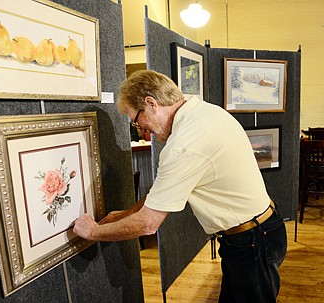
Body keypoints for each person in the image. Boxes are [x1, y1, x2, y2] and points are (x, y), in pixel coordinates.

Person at [73, 70, 287, 302]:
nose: (141, 129)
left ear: (151, 103)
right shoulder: (204, 111)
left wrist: (93, 232)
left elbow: (148, 224)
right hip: (257, 233)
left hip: (252, 242)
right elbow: (160, 195)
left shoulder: (183, 144)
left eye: (136, 120)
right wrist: (124, 215)